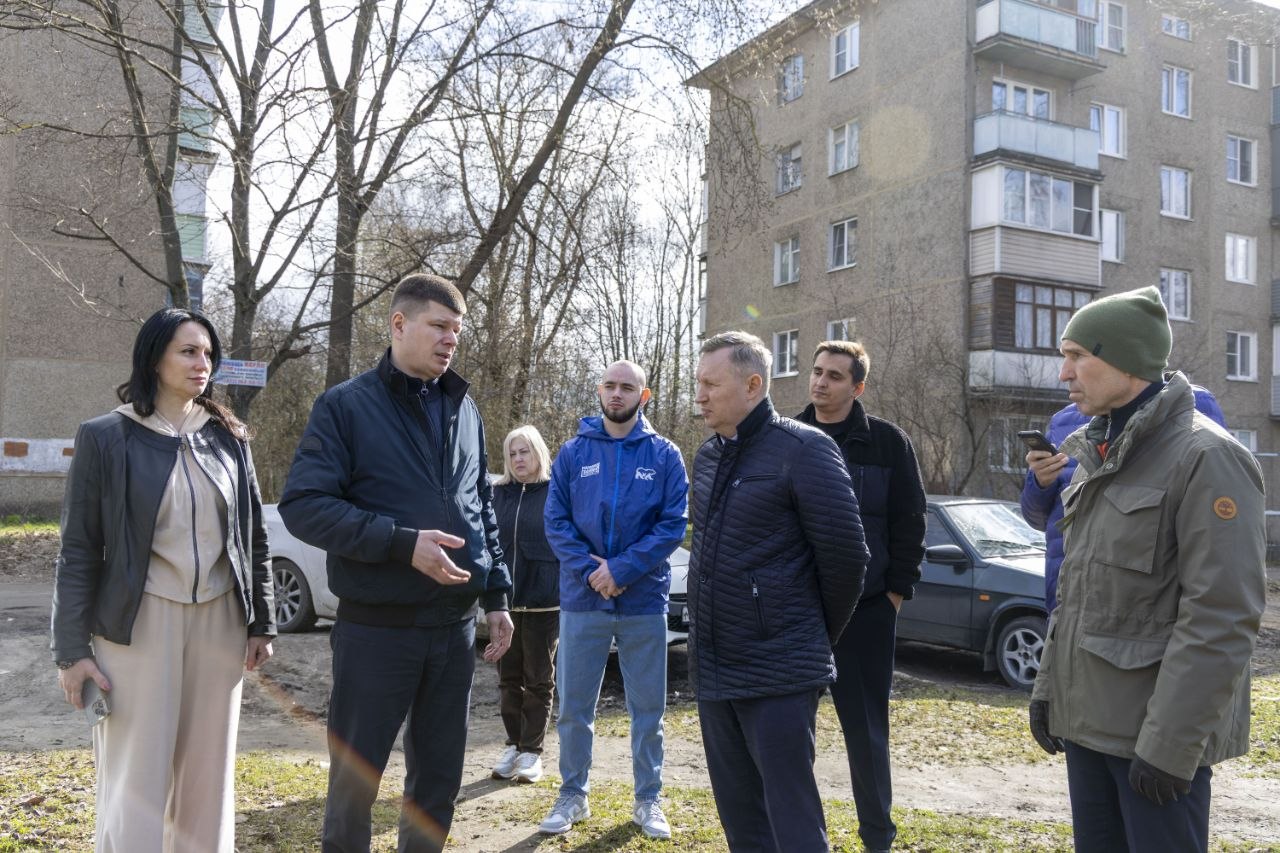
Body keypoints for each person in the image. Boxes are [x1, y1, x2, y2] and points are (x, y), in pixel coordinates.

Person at [278, 273, 513, 853]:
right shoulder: (344, 407)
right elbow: (304, 506)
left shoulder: (465, 409)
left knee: (437, 780)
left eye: (457, 330)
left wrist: (497, 596)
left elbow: (479, 505)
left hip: (454, 630)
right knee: (356, 785)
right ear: (399, 324)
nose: (450, 340)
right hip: (376, 631)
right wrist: (401, 542)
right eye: (438, 326)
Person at [1027, 287, 1266, 852]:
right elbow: (1079, 589)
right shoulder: (1096, 451)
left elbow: (1223, 615)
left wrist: (1170, 746)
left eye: (1078, 355)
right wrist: (1047, 689)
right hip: (1088, 725)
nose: (1064, 373)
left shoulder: (1207, 458)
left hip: (1152, 740)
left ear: (1127, 361)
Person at [51, 307, 276, 852]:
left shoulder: (230, 437)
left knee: (207, 776)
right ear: (155, 357)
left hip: (221, 623)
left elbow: (253, 536)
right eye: (188, 351)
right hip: (137, 623)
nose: (204, 363)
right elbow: (78, 547)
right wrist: (70, 650)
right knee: (137, 775)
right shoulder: (106, 436)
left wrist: (261, 621)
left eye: (208, 353)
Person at [689, 330, 869, 852]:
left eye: (709, 384)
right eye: (697, 382)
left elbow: (847, 559)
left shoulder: (805, 450)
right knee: (742, 821)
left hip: (779, 671)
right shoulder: (707, 457)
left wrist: (804, 634)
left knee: (792, 822)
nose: (699, 395)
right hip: (716, 670)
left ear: (752, 384)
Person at [538, 360, 688, 839]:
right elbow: (556, 523)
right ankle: (572, 794)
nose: (617, 394)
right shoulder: (571, 453)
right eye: (610, 385)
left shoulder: (664, 455)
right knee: (574, 706)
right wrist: (594, 572)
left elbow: (672, 525)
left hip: (643, 599)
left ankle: (649, 799)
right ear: (599, 392)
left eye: (628, 387)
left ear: (643, 397)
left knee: (648, 709)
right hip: (583, 600)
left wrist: (621, 570)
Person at [796, 340, 925, 853]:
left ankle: (878, 837)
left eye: (834, 375)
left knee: (867, 735)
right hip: (799, 612)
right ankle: (801, 835)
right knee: (788, 733)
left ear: (857, 386)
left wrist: (896, 592)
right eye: (817, 371)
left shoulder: (889, 443)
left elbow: (909, 521)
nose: (820, 382)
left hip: (868, 612)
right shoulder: (789, 437)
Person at [1021, 391, 1225, 612]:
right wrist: (1040, 482)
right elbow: (1038, 519)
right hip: (1064, 603)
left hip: (1138, 613)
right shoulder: (1064, 420)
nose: (1065, 373)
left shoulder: (1195, 404)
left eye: (1078, 356)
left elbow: (1217, 546)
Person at [490, 425, 559, 784]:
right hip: (503, 603)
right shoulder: (497, 494)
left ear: (538, 453)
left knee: (538, 680)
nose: (518, 459)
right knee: (507, 679)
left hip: (544, 602)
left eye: (525, 452)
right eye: (513, 453)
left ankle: (532, 752)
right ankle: (513, 745)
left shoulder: (555, 492)